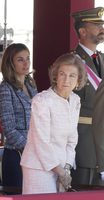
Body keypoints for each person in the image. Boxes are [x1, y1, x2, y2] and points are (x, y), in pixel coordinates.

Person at [21, 53, 87, 194]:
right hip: (38, 167)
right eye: (62, 74)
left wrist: (66, 168)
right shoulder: (42, 101)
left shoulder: (75, 100)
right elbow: (41, 142)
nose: (66, 80)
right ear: (55, 75)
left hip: (62, 167)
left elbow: (72, 139)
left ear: (78, 80)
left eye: (72, 76)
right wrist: (60, 172)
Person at [0, 43, 37, 193]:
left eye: (28, 58)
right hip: (16, 155)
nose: (26, 63)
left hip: (34, 154)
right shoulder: (5, 88)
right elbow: (9, 129)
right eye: (20, 59)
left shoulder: (31, 85)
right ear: (10, 63)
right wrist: (31, 149)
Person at [71, 7, 104, 186]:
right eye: (97, 25)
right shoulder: (70, 62)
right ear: (82, 31)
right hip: (84, 143)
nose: (102, 28)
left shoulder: (103, 59)